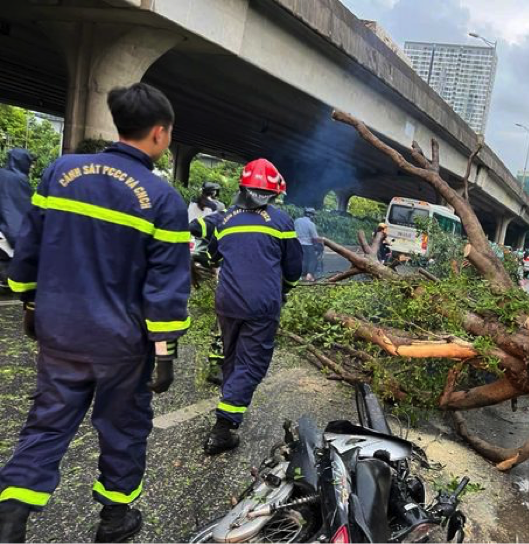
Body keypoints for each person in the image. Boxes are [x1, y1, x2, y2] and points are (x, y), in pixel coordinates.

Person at [0, 82, 191, 543]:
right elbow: (163, 289)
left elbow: (30, 247)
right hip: (120, 344)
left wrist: (29, 302)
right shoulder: (162, 199)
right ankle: (115, 520)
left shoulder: (60, 173)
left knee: (47, 421)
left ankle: (9, 517)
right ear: (160, 134)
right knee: (123, 428)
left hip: (59, 329)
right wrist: (163, 354)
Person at [202, 158, 302, 455]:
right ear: (272, 194)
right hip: (261, 305)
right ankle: (223, 426)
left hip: (227, 303)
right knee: (252, 363)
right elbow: (294, 269)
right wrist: (283, 290)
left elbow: (210, 258)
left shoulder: (224, 219)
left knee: (232, 359)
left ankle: (228, 403)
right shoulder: (282, 222)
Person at [0, 149, 34, 286]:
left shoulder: (2, 175)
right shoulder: (20, 181)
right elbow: (26, 208)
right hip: (9, 233)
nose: (31, 167)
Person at [294, 207, 320, 281]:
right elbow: (315, 237)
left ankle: (298, 276)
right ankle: (309, 275)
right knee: (313, 259)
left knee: (299, 260)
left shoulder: (297, 221)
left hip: (296, 244)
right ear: (311, 215)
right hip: (307, 245)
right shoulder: (311, 224)